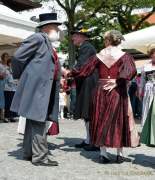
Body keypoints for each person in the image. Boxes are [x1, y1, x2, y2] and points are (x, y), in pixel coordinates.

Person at [68, 30, 139, 163]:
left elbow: (84, 70)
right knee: (118, 120)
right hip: (117, 91)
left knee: (100, 119)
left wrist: (70, 73)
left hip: (100, 90)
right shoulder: (125, 56)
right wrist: (118, 81)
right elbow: (130, 71)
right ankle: (120, 153)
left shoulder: (98, 56)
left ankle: (103, 154)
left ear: (107, 41)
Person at [10, 13, 62, 166]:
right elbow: (18, 57)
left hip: (41, 87)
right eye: (55, 27)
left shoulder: (45, 41)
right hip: (37, 87)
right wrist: (22, 76)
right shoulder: (38, 38)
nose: (57, 30)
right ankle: (40, 157)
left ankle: (29, 153)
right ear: (46, 28)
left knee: (33, 121)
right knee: (39, 120)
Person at [71, 27, 99, 151]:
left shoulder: (86, 47)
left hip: (89, 82)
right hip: (87, 82)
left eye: (75, 36)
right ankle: (89, 139)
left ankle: (93, 141)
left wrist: (69, 72)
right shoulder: (85, 47)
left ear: (83, 37)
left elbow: (81, 64)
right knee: (86, 113)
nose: (73, 38)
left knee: (89, 112)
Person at [140, 48, 155, 146]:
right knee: (147, 108)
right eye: (153, 53)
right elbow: (142, 80)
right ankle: (148, 132)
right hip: (149, 89)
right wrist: (140, 90)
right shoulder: (146, 66)